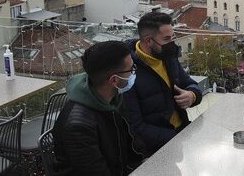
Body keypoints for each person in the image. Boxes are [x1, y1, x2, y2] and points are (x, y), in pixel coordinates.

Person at [53, 41, 144, 176]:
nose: (133, 73)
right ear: (114, 80)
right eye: (131, 69)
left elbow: (131, 144)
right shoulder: (78, 127)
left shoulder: (113, 99)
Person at [123, 12, 203, 157]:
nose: (171, 43)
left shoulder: (167, 56)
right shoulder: (128, 71)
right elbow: (135, 126)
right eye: (167, 39)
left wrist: (192, 95)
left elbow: (190, 83)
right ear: (148, 41)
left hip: (181, 135)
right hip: (155, 150)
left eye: (172, 37)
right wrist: (174, 138)